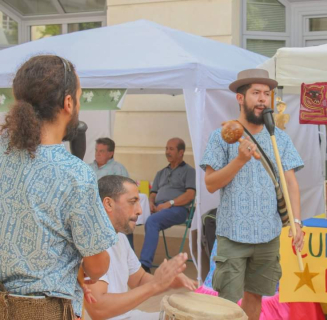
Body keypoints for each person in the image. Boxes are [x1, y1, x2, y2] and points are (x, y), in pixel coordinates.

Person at [0, 55, 117, 319]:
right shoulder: (75, 173)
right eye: (79, 96)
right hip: (44, 310)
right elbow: (97, 266)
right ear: (68, 103)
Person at [200, 69, 305, 320]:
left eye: (266, 94)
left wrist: (297, 223)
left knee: (255, 296)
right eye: (256, 93)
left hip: (268, 235)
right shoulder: (222, 136)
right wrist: (239, 160)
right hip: (233, 234)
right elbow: (210, 184)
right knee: (227, 303)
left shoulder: (279, 138)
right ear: (240, 98)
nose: (262, 99)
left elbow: (291, 183)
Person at [85, 175, 196, 320]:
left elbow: (139, 279)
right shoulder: (91, 242)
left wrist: (168, 281)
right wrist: (156, 284)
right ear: (108, 204)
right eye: (132, 202)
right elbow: (98, 310)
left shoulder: (120, 238)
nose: (139, 211)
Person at [139, 138, 196, 272]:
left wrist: (169, 204)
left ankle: (144, 265)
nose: (167, 152)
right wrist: (151, 202)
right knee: (129, 217)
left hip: (178, 209)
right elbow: (153, 193)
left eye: (171, 149)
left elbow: (190, 195)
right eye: (166, 149)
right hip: (158, 208)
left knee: (152, 221)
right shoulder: (161, 172)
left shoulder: (189, 171)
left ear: (181, 152)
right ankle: (127, 260)